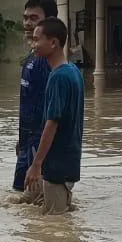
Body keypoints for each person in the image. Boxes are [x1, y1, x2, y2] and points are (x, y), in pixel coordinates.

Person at [25, 16, 85, 216]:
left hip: (57, 166)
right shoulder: (73, 71)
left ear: (53, 43)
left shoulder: (58, 78)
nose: (33, 45)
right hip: (70, 160)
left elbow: (52, 124)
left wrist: (36, 164)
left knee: (55, 225)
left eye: (37, 39)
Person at [14, 0, 58, 197]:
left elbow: (53, 114)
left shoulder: (47, 62)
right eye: (25, 18)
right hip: (27, 141)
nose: (27, 23)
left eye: (33, 18)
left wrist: (39, 160)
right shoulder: (31, 59)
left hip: (38, 144)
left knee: (33, 201)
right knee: (22, 200)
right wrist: (21, 142)